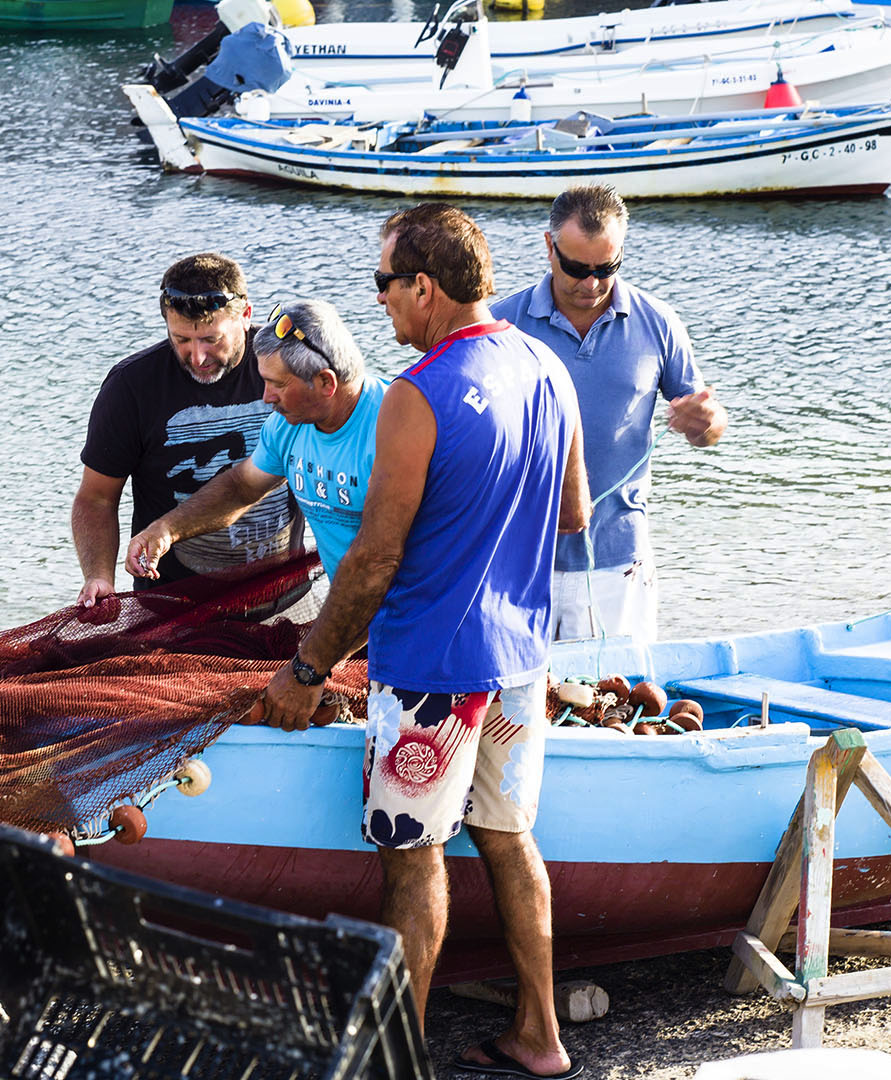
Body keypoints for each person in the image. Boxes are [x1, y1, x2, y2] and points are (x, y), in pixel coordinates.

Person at [262, 204, 590, 1080]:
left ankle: (395, 1060)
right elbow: (574, 514)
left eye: (383, 284)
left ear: (425, 286)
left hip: (432, 669)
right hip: (520, 658)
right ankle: (541, 1037)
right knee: (511, 842)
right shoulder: (546, 366)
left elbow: (371, 562)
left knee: (413, 858)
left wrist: (305, 669)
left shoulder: (418, 393)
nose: (379, 306)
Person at [489, 184, 728, 644]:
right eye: (577, 268)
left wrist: (707, 423)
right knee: (515, 711)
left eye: (607, 268)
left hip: (619, 563)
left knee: (617, 703)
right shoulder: (503, 325)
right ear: (548, 246)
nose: (592, 284)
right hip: (516, 563)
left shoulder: (658, 322)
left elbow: (709, 424)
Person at [72, 254, 302, 608]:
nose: (197, 356)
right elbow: (97, 498)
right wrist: (99, 576)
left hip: (283, 595)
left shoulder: (288, 367)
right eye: (181, 339)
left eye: (212, 339)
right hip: (173, 605)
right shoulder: (131, 386)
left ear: (245, 316)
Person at [125, 299, 387, 586]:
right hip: (356, 603)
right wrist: (165, 530)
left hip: (408, 608)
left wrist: (338, 632)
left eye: (278, 384)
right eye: (264, 381)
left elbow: (381, 561)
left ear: (326, 382)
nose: (267, 397)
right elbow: (240, 488)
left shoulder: (391, 429)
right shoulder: (287, 425)